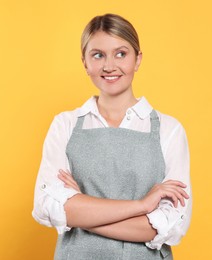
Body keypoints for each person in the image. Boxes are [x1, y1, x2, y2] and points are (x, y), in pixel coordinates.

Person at [32, 13, 192, 260]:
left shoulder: (169, 130)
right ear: (85, 62)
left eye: (121, 53)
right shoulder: (64, 125)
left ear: (137, 59)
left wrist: (81, 209)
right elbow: (47, 206)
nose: (109, 66)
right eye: (98, 55)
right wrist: (142, 206)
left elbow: (171, 225)